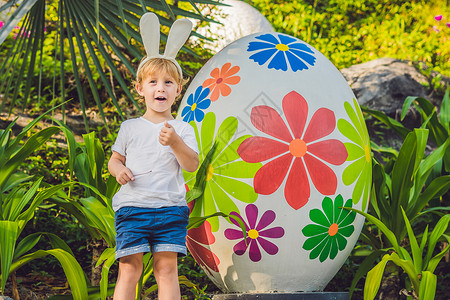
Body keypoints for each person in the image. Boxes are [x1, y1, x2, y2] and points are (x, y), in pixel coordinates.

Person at [108, 13, 199, 300]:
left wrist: (174, 142)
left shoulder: (182, 128)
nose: (161, 87)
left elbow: (191, 164)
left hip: (170, 208)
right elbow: (114, 160)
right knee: (129, 269)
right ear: (140, 88)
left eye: (168, 83)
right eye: (153, 82)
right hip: (133, 208)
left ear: (178, 90)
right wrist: (118, 170)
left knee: (166, 269)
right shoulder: (130, 127)